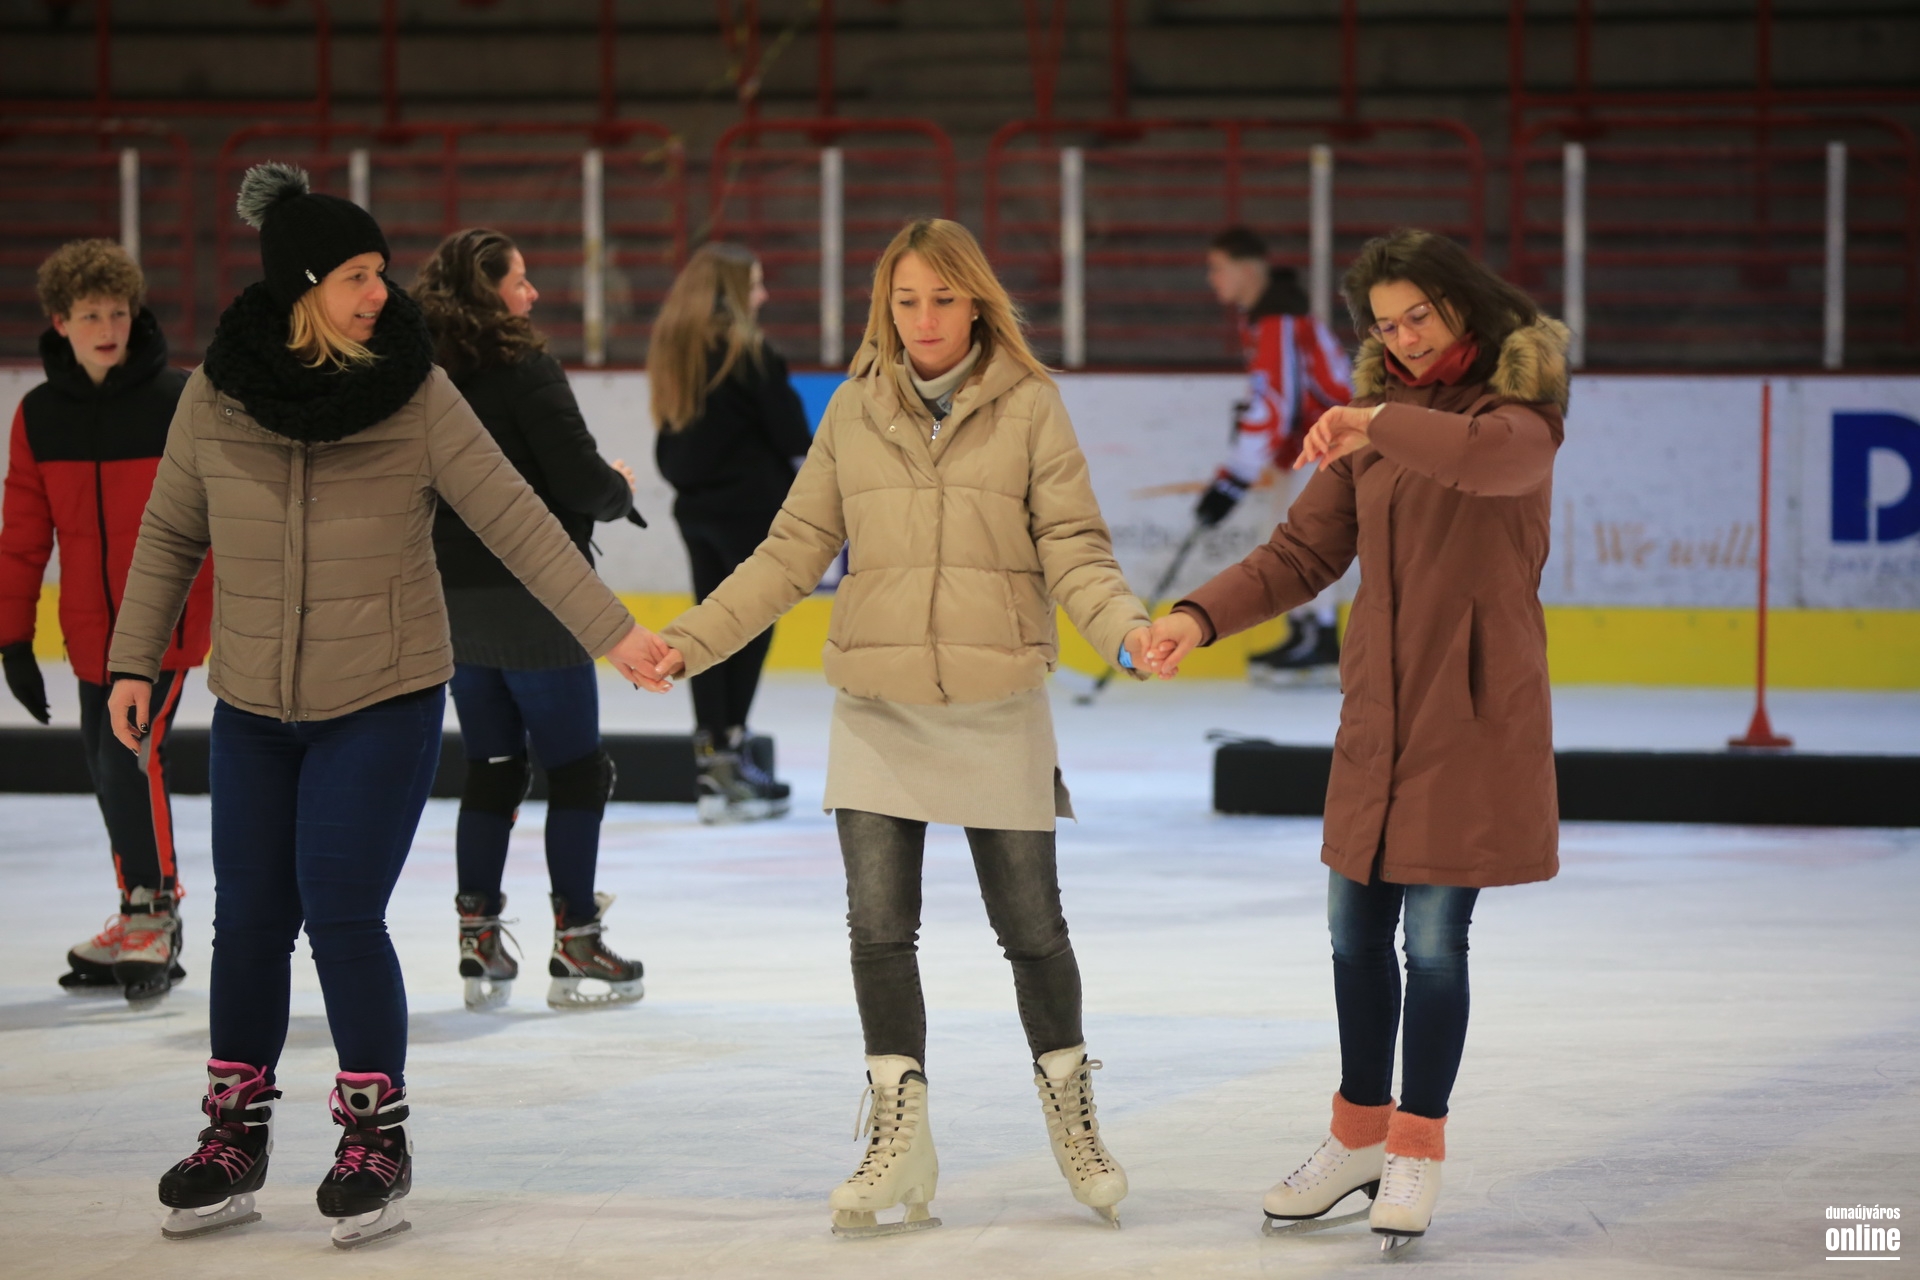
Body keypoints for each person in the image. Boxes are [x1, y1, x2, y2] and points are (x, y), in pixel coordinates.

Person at [104, 163, 669, 1250]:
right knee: (248, 918)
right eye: (358, 275)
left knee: (340, 910)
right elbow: (171, 531)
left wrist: (615, 633)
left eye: (379, 272)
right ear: (302, 285)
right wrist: (136, 661)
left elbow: (518, 518)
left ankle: (375, 1137)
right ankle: (233, 1131)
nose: (381, 292)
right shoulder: (218, 395)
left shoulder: (415, 390)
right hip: (253, 702)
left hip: (383, 696)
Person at [648, 218, 1151, 1236]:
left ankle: (1073, 1116)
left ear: (977, 302)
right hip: (878, 706)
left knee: (1033, 931)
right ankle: (899, 1134)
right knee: (879, 931)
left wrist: (1127, 629)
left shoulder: (1030, 405)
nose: (924, 319)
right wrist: (690, 640)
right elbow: (789, 550)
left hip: (996, 700)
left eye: (943, 299)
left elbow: (1073, 544)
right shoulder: (852, 410)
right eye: (906, 300)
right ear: (886, 305)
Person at [1146, 228, 1569, 1252]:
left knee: (1435, 943)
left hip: (1472, 716)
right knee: (1351, 934)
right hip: (1379, 713)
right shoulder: (1375, 428)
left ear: (1463, 303)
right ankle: (1358, 1136)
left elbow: (1478, 461)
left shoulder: (1519, 413)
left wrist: (1371, 417)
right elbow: (1301, 552)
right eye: (1386, 325)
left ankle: (1417, 1146)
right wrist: (1197, 616)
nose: (1406, 337)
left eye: (1420, 315)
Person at [414, 228, 646, 1013]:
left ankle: (477, 936)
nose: (533, 293)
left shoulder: (422, 374)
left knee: (492, 765)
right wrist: (618, 489)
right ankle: (577, 939)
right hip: (536, 595)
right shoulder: (525, 366)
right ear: (489, 291)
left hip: (454, 601)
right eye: (520, 280)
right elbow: (577, 479)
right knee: (577, 769)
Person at [0, 239, 212, 1004]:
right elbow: (23, 538)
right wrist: (13, 639)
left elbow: (220, 512)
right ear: (60, 322)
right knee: (105, 763)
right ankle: (136, 911)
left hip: (165, 626)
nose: (108, 328)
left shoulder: (177, 400)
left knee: (130, 758)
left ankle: (156, 914)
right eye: (90, 315)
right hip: (92, 634)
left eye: (118, 313)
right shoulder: (39, 417)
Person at [649, 242, 810, 823]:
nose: (763, 294)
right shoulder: (749, 353)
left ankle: (711, 760)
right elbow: (792, 434)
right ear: (734, 292)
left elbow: (669, 441)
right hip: (750, 511)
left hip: (696, 510)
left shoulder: (678, 351)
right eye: (756, 284)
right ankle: (731, 756)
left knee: (708, 627)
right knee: (747, 627)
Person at [1195, 226, 1352, 683]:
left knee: (1304, 540)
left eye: (1218, 268)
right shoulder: (1269, 318)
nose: (1212, 278)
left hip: (1325, 445)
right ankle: (1305, 631)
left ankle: (1321, 639)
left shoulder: (1279, 320)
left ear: (1247, 269)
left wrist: (1235, 477)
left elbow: (1275, 402)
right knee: (1282, 538)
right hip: (1305, 446)